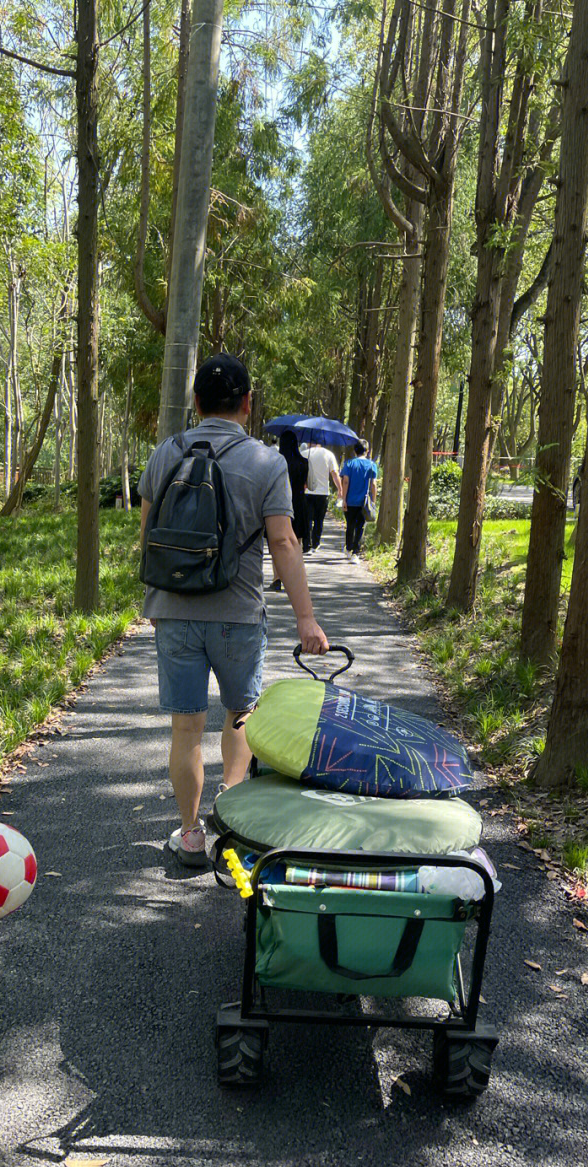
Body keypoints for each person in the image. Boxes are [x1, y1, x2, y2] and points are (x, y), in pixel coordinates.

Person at [139, 353, 329, 867]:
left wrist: (154, 600)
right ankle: (231, 818)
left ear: (196, 401)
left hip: (174, 610)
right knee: (240, 715)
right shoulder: (267, 463)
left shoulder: (165, 453)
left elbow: (148, 534)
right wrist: (306, 619)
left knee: (186, 729)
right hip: (239, 614)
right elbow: (285, 541)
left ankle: (190, 834)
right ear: (248, 403)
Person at [268, 429, 310, 592]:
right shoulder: (304, 462)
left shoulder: (276, 461)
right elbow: (309, 485)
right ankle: (295, 577)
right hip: (299, 503)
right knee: (296, 542)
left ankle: (277, 578)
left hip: (279, 504)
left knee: (276, 541)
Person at [340, 440, 379, 560]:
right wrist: (373, 501)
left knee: (350, 525)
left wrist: (344, 499)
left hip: (350, 500)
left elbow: (345, 481)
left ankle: (348, 548)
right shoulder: (372, 465)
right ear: (367, 451)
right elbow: (373, 484)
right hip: (364, 502)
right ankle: (355, 553)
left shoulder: (349, 464)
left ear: (354, 451)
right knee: (360, 526)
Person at [301, 439, 341, 553]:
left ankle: (306, 545)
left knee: (307, 519)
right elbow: (335, 474)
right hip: (323, 493)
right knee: (319, 520)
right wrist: (340, 490)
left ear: (309, 442)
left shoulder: (304, 454)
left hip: (307, 492)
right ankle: (315, 544)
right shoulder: (329, 454)